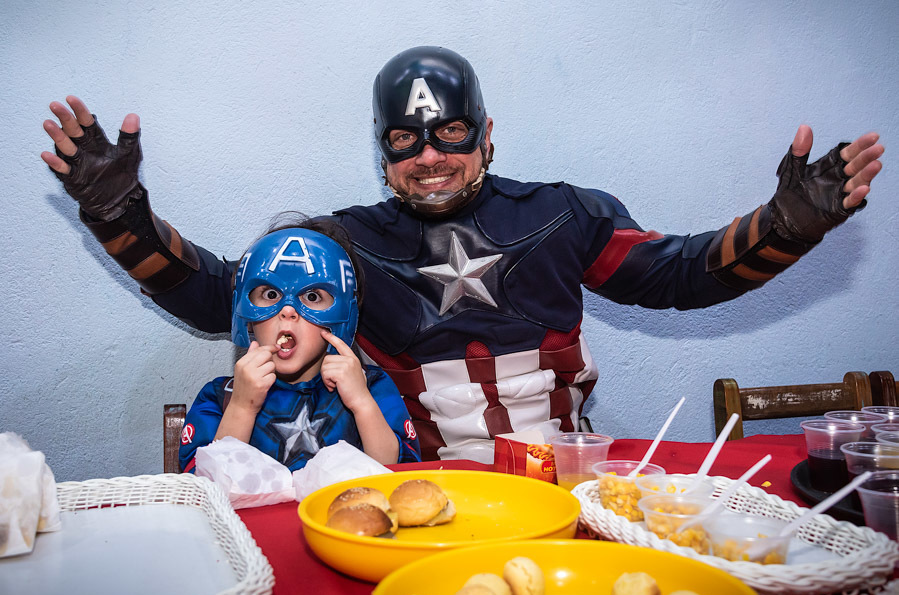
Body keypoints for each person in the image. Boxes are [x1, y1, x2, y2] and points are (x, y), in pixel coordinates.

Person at [42, 46, 885, 463]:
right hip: (418, 486)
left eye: (448, 133)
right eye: (405, 140)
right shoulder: (342, 244)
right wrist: (123, 218)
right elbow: (229, 298)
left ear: (484, 134)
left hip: (567, 480)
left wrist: (785, 226)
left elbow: (680, 276)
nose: (428, 155)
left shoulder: (563, 215)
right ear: (383, 152)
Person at [178, 216, 421, 473]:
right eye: (271, 294)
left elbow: (396, 475)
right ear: (246, 314)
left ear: (342, 316)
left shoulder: (372, 388)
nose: (288, 311)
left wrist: (361, 403)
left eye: (313, 296)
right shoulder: (221, 397)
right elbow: (204, 487)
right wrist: (241, 407)